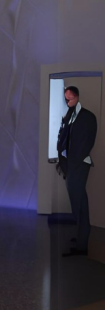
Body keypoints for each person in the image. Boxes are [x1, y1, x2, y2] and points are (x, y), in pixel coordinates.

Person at [57, 86, 97, 256]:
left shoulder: (87, 117)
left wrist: (73, 163)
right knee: (79, 202)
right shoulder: (69, 115)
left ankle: (82, 245)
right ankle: (82, 238)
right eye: (65, 99)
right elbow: (65, 139)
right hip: (70, 165)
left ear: (77, 97)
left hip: (79, 165)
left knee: (79, 204)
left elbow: (88, 142)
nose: (67, 102)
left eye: (70, 98)